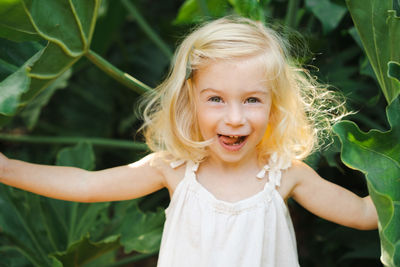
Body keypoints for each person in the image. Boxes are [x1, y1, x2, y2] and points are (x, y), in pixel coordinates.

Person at [0, 16, 377, 266]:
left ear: (275, 106)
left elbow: (363, 214)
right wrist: (7, 167)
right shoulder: (175, 169)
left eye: (252, 100)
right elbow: (86, 184)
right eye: (216, 99)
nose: (234, 117)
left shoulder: (285, 174)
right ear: (189, 102)